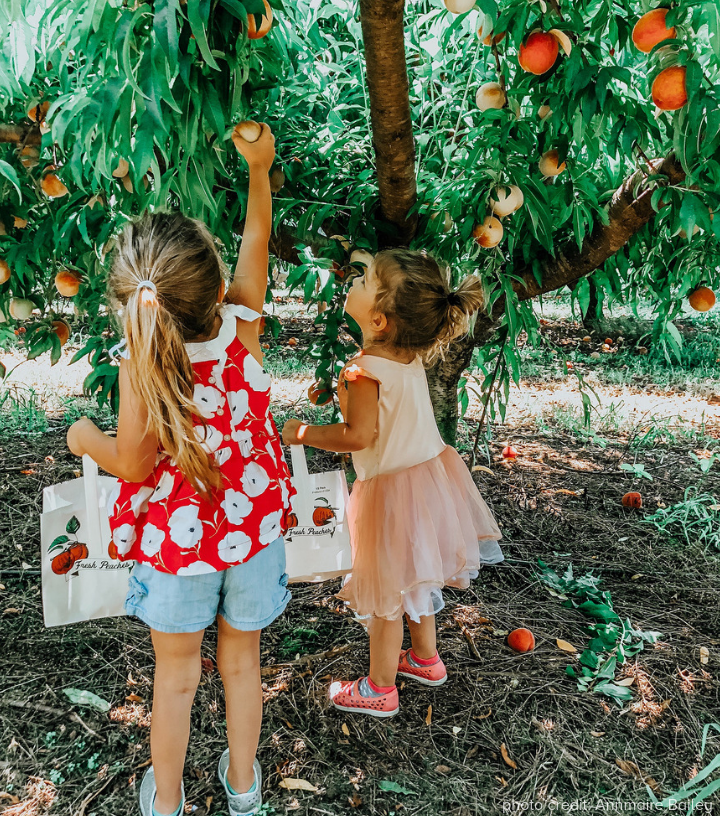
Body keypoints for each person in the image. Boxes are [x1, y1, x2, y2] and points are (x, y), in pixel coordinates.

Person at [67, 124, 292, 816]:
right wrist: (260, 172)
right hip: (252, 534)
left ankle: (166, 802)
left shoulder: (143, 360)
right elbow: (256, 244)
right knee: (243, 666)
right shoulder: (241, 326)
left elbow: (132, 464)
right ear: (216, 287)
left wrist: (85, 437)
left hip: (179, 549)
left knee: (175, 679)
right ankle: (244, 788)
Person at [282, 248, 503, 718]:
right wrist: (372, 265)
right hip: (428, 480)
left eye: (363, 281)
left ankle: (380, 686)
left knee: (387, 591)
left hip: (389, 491)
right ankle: (425, 659)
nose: (353, 283)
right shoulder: (406, 358)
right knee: (415, 576)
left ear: (380, 320)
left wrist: (301, 432)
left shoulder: (363, 370)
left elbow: (357, 435)